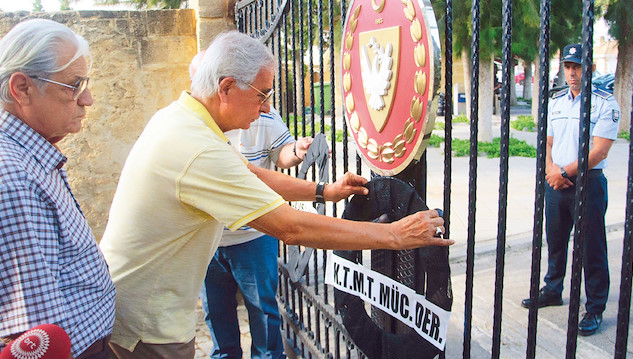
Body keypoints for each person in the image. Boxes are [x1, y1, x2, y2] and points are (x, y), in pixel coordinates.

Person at [99, 30, 453, 359]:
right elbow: (290, 228)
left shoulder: (182, 120)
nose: (267, 107)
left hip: (134, 309)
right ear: (225, 88)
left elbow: (249, 173)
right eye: (261, 94)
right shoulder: (197, 148)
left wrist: (325, 192)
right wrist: (394, 235)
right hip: (145, 326)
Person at [0, 19, 115, 358]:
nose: (88, 100)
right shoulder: (13, 176)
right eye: (73, 85)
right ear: (22, 89)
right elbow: (37, 336)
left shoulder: (30, 156)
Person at [190, 51, 313, 359]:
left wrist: (296, 151)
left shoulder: (262, 114)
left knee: (263, 312)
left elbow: (279, 155)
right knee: (216, 314)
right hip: (209, 241)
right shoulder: (194, 127)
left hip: (253, 237)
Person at [521, 44, 620, 336]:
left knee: (591, 247)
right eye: (568, 66)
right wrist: (552, 170)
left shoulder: (605, 103)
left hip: (587, 184)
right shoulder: (558, 102)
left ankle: (595, 307)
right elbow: (549, 141)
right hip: (556, 182)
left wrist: (565, 171)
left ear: (589, 69)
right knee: (555, 240)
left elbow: (599, 151)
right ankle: (553, 289)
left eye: (577, 66)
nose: (572, 72)